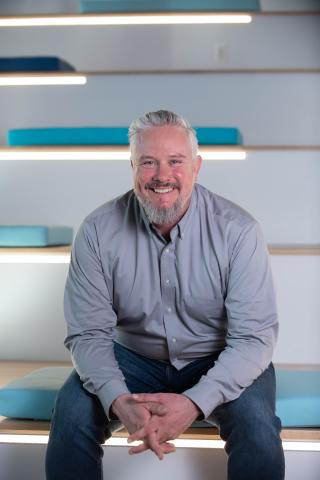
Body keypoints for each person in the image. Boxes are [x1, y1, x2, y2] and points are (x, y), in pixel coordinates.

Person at [46, 110, 285, 480]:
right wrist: (118, 400)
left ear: (196, 167)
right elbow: (88, 334)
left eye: (175, 161)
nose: (162, 176)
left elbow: (253, 339)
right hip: (134, 358)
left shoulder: (238, 231)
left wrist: (193, 403)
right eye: (148, 163)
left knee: (257, 427)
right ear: (131, 166)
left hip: (218, 356)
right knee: (72, 412)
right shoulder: (96, 231)